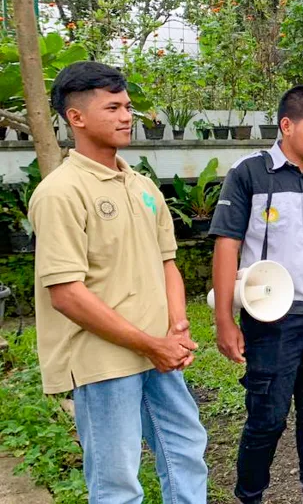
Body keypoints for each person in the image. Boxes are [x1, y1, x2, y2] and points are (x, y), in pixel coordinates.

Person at [29, 61, 208, 503]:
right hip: (103, 359)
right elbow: (66, 294)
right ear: (76, 117)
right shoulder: (60, 192)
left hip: (158, 352)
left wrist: (176, 328)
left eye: (127, 107)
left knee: (186, 452)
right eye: (113, 108)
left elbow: (167, 262)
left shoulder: (142, 186)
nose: (127, 116)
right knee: (117, 481)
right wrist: (150, 344)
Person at [210, 86, 303, 504]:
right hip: (272, 318)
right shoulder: (250, 173)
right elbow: (226, 244)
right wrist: (224, 319)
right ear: (287, 125)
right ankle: (250, 495)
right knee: (268, 417)